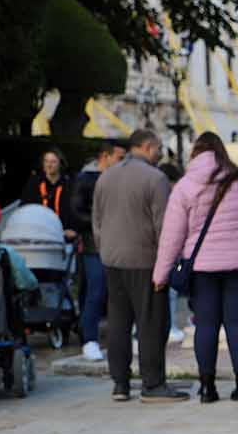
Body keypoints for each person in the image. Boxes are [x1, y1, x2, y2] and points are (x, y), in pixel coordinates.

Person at [152, 131, 238, 405]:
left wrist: (160, 275)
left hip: (203, 267)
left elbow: (172, 236)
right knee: (237, 324)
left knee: (206, 325)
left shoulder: (185, 185)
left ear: (196, 153)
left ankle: (207, 388)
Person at [93, 129, 185, 403]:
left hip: (112, 259)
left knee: (119, 322)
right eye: (157, 148)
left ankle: (120, 383)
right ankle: (153, 383)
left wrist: (105, 250)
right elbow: (163, 227)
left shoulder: (106, 176)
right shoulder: (155, 179)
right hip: (145, 260)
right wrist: (166, 265)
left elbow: (97, 221)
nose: (160, 153)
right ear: (146, 147)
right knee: (151, 322)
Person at [69, 140, 127, 361]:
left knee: (117, 291)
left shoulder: (120, 178)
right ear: (106, 156)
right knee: (96, 290)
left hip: (117, 242)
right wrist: (101, 223)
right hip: (94, 243)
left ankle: (114, 336)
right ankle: (90, 339)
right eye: (120, 158)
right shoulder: (85, 179)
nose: (123, 163)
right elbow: (75, 211)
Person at [21, 149, 74, 238]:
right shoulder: (34, 184)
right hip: (38, 235)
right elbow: (25, 209)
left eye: (53, 162)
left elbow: (75, 210)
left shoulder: (69, 185)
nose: (49, 165)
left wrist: (73, 229)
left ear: (60, 164)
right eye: (46, 161)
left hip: (64, 235)